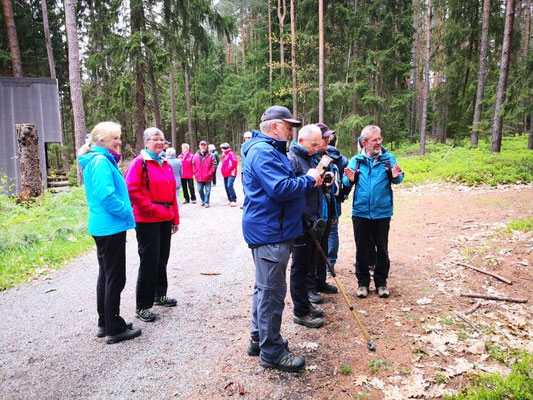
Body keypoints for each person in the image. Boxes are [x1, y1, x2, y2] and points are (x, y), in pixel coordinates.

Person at [242, 105, 322, 373]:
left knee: (263, 289)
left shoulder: (269, 150)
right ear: (275, 126)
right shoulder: (263, 152)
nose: (291, 132)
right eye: (289, 127)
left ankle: (259, 338)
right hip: (270, 233)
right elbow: (280, 188)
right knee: (272, 294)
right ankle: (272, 351)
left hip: (273, 230)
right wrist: (309, 179)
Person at [78, 121, 141, 344]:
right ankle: (114, 327)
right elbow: (106, 196)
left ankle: (105, 322)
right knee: (115, 277)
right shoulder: (101, 162)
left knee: (106, 275)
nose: (119, 141)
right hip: (110, 226)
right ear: (102, 140)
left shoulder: (97, 160)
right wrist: (126, 211)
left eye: (119, 137)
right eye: (115, 138)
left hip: (102, 225)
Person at [125, 127, 180, 323]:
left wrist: (175, 217)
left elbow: (172, 191)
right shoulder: (139, 163)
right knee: (148, 262)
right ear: (146, 142)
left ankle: (160, 294)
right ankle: (143, 305)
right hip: (147, 220)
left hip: (165, 218)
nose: (159, 143)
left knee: (162, 258)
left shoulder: (164, 162)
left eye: (162, 140)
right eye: (155, 139)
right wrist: (152, 208)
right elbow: (131, 190)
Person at [342, 125, 403, 299]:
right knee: (361, 249)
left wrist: (395, 175)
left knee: (382, 249)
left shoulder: (388, 158)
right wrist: (350, 179)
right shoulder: (356, 160)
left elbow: (399, 179)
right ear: (364, 142)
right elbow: (346, 183)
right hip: (360, 212)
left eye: (379, 139)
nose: (378, 142)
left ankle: (381, 283)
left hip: (382, 212)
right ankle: (362, 284)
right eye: (375, 140)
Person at [287, 124, 326, 329]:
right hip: (301, 221)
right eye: (313, 144)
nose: (316, 148)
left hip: (314, 217)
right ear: (301, 140)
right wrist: (309, 181)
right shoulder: (292, 158)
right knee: (299, 268)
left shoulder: (311, 157)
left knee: (309, 265)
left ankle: (306, 305)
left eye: (318, 144)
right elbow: (291, 189)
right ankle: (300, 312)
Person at [307, 122, 339, 304]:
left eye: (328, 137)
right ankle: (310, 287)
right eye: (324, 137)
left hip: (327, 208)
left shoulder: (328, 157)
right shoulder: (312, 158)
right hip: (315, 211)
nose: (328, 140)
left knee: (323, 248)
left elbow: (331, 187)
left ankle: (320, 281)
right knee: (312, 251)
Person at [325, 132, 348, 273]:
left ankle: (320, 265)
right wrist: (343, 196)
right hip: (335, 200)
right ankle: (330, 263)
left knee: (320, 231)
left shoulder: (319, 157)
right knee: (333, 231)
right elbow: (346, 182)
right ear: (336, 143)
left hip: (322, 199)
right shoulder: (343, 159)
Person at [194, 140, 215, 208]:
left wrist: (210, 173)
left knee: (208, 190)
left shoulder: (211, 155)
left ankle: (206, 202)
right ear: (199, 146)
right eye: (201, 145)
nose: (203, 146)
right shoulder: (196, 155)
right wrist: (195, 173)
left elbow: (214, 165)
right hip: (199, 176)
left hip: (208, 177)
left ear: (206, 146)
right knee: (199, 189)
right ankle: (203, 200)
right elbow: (193, 165)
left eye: (204, 145)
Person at [220, 142, 238, 206]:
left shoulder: (231, 154)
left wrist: (229, 169)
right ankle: (229, 199)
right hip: (225, 174)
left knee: (229, 186)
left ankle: (233, 200)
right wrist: (222, 170)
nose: (221, 149)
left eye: (222, 148)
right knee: (226, 186)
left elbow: (235, 163)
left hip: (231, 173)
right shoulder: (224, 154)